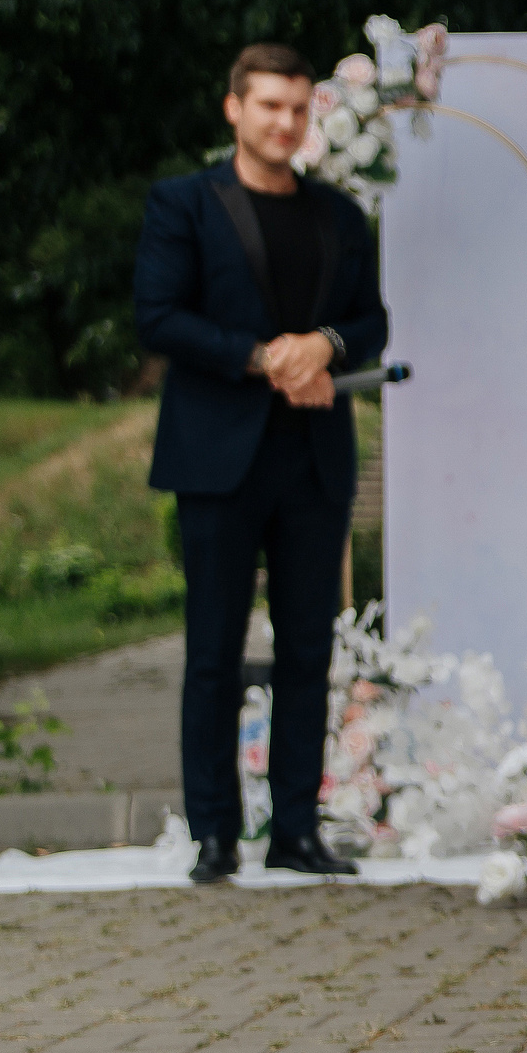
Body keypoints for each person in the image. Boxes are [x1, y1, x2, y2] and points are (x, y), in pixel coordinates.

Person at [134, 44, 388, 885]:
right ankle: (214, 833)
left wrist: (326, 345)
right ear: (234, 109)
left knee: (308, 652)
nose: (284, 121)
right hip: (216, 458)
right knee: (212, 649)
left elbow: (372, 323)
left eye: (296, 107)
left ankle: (295, 831)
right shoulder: (183, 204)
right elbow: (160, 317)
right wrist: (262, 358)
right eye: (268, 105)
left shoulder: (340, 216)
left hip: (313, 460)